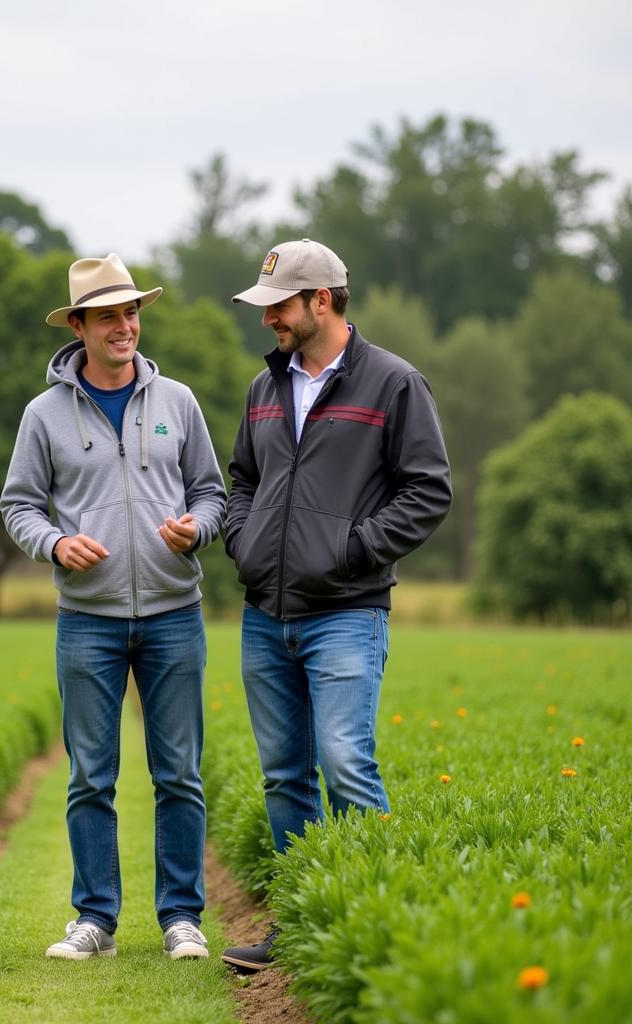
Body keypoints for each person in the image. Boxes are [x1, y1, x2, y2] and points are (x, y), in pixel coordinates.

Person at [219, 239, 452, 972]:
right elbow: (242, 481)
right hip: (266, 613)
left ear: (323, 299)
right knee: (285, 775)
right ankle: (302, 924)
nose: (270, 322)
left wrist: (352, 550)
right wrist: (243, 540)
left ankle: (374, 925)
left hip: (347, 612)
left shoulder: (394, 384)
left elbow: (428, 491)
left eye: (280, 306)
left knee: (346, 762)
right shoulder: (267, 387)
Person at [0, 253, 226, 961]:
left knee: (179, 772)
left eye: (131, 313)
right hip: (87, 620)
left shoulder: (179, 403)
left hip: (173, 611)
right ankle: (94, 919)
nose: (125, 326)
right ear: (79, 327)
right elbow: (18, 505)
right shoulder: (44, 416)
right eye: (108, 316)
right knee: (90, 774)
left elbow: (213, 493)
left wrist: (199, 528)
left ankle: (181, 917)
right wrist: (55, 544)